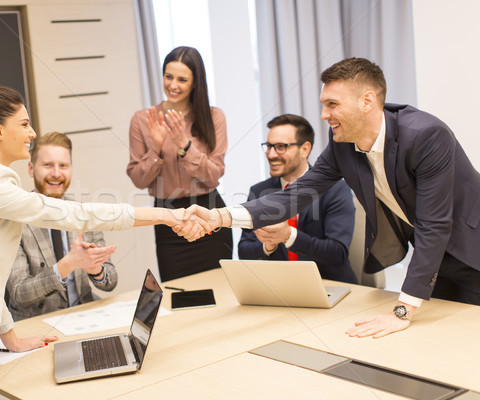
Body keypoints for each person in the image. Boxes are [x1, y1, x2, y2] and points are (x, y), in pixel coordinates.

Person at [0, 86, 206, 399]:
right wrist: (165, 216)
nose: (32, 132)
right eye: (24, 124)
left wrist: (12, 340)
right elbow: (74, 214)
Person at [184, 57, 480, 338]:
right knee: (439, 341)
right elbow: (293, 197)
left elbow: (434, 224)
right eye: (323, 104)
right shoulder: (343, 144)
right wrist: (219, 217)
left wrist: (401, 312)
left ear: (367, 101)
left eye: (332, 104)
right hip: (435, 261)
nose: (324, 115)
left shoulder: (427, 136)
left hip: (474, 253)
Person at [126, 46, 232, 282]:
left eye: (182, 79)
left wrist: (184, 145)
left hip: (209, 214)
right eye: (168, 77)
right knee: (178, 294)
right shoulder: (143, 120)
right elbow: (138, 179)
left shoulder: (214, 117)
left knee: (220, 292)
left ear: (195, 82)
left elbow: (214, 175)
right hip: (168, 217)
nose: (173, 85)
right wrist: (156, 147)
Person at [7, 132, 119, 320]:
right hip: (37, 323)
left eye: (63, 166)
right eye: (47, 165)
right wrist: (66, 266)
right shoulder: (13, 220)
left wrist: (96, 270)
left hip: (83, 317)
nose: (56, 174)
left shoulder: (84, 214)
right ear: (31, 168)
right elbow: (19, 294)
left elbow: (111, 282)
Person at [238, 114, 357, 284]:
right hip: (279, 289)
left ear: (305, 149)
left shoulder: (335, 189)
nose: (271, 154)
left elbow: (336, 253)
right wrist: (268, 245)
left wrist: (289, 236)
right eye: (269, 146)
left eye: (280, 147)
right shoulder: (260, 191)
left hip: (329, 285)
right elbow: (244, 250)